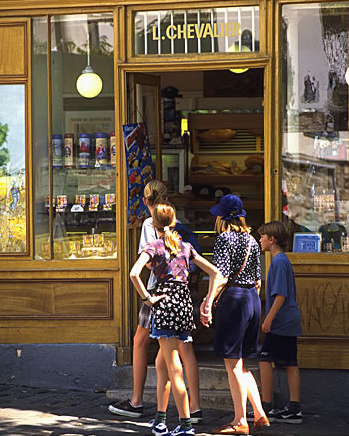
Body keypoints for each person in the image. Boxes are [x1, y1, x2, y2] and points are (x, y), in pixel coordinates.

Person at [109, 180, 203, 423]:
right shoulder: (175, 220)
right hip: (182, 293)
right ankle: (195, 408)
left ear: (145, 200)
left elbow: (148, 263)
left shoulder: (150, 224)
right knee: (184, 349)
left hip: (157, 290)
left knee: (141, 342)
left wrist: (148, 295)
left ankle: (137, 401)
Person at [129, 201, 221, 436]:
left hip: (165, 306)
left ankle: (186, 425)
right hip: (183, 306)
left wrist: (148, 298)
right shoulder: (186, 246)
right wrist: (208, 299)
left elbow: (133, 273)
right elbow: (215, 273)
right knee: (162, 365)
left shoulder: (155, 246)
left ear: (154, 224)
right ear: (174, 222)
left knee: (173, 368)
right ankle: (160, 421)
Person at [200, 194, 269, 434]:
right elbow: (259, 281)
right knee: (242, 363)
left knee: (232, 365)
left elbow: (220, 275)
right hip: (252, 300)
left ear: (224, 218)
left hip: (234, 300)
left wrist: (208, 301)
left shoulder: (224, 239)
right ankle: (259, 414)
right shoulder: (251, 240)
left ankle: (240, 420)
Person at [255, 221, 302, 424]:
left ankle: (267, 406)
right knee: (290, 362)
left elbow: (281, 294)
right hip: (287, 320)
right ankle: (293, 407)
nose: (260, 240)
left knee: (265, 358)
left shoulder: (279, 262)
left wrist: (268, 319)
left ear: (272, 240)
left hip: (281, 321)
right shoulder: (280, 261)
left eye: (262, 237)